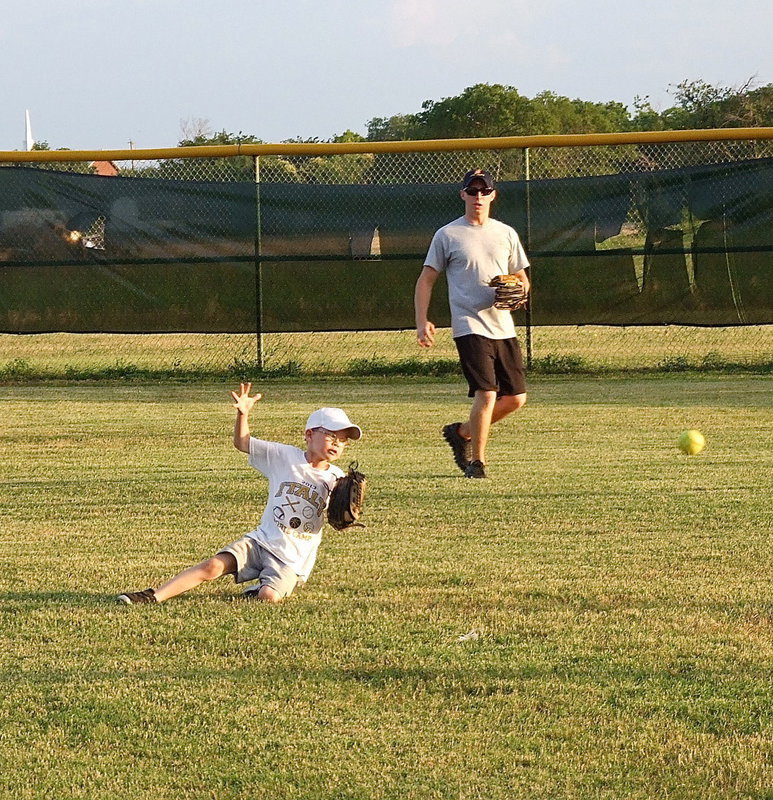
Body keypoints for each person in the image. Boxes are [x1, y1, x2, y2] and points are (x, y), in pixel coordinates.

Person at [117, 383, 362, 605]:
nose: (337, 443)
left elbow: (341, 516)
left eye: (343, 440)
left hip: (291, 559)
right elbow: (243, 443)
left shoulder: (337, 478)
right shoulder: (284, 456)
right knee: (213, 566)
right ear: (309, 435)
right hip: (261, 541)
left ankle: (259, 589)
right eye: (331, 435)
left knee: (269, 597)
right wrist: (242, 414)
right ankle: (153, 596)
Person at [414, 168, 530, 479]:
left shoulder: (505, 233)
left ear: (493, 195)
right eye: (473, 190)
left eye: (484, 191)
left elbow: (521, 277)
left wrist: (521, 292)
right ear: (463, 194)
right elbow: (426, 280)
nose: (478, 196)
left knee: (516, 398)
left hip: (502, 324)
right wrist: (422, 320)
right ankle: (477, 463)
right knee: (487, 392)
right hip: (469, 323)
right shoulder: (448, 234)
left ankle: (462, 432)